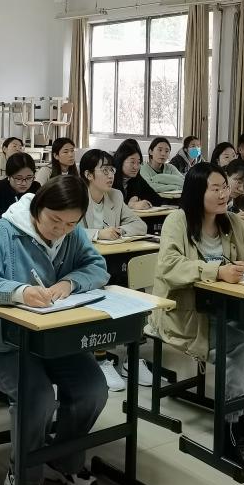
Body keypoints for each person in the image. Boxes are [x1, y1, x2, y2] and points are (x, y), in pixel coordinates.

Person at [0, 177, 109, 485]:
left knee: (92, 389)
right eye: (54, 220)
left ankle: (64, 461)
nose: (61, 229)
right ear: (37, 207)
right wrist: (19, 292)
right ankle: (23, 475)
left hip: (54, 341)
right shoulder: (5, 231)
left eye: (70, 223)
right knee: (38, 396)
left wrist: (70, 283)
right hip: (3, 345)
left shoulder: (72, 233)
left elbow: (97, 267)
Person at [151, 163, 244, 473]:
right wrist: (216, 271)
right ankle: (229, 429)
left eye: (225, 187)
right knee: (240, 347)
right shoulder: (177, 221)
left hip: (226, 312)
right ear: (197, 192)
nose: (224, 194)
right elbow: (169, 265)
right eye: (216, 188)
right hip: (185, 316)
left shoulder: (231, 221)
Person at [79, 148, 149, 391]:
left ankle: (132, 356)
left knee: (135, 290)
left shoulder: (116, 196)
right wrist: (99, 234)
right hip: (83, 262)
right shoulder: (76, 195)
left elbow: (139, 225)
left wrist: (118, 231)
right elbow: (67, 229)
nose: (111, 175)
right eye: (104, 170)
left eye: (112, 170)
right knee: (102, 297)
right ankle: (99, 358)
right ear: (88, 174)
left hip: (113, 259)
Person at [0, 152, 40, 225]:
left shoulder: (36, 188)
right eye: (18, 178)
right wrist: (9, 216)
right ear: (8, 175)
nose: (24, 183)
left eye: (29, 178)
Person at [113, 143, 165, 209]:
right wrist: (131, 205)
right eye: (132, 162)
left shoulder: (137, 178)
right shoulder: (111, 178)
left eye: (138, 162)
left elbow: (157, 200)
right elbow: (108, 207)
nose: (136, 167)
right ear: (121, 161)